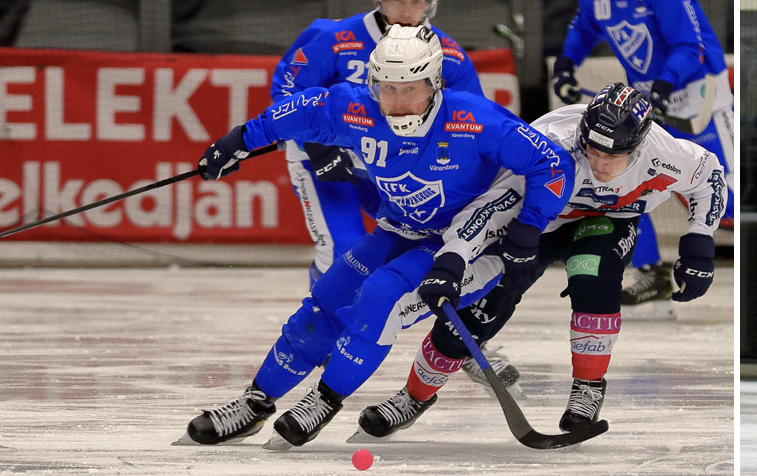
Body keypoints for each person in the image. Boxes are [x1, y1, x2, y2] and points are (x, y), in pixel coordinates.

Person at [182, 24, 573, 449]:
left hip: (456, 246)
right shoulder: (357, 107)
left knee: (379, 298)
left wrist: (529, 228)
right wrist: (237, 140)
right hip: (395, 229)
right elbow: (298, 111)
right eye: (388, 88)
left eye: (412, 88)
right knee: (324, 304)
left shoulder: (474, 118)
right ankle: (255, 404)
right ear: (373, 84)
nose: (400, 102)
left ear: (435, 82)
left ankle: (325, 399)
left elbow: (552, 164)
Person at [352, 83, 726, 440]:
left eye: (612, 157)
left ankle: (588, 387)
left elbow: (709, 176)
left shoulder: (668, 154)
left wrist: (699, 242)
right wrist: (454, 258)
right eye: (591, 151)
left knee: (592, 276)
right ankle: (414, 397)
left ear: (640, 146)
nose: (598, 164)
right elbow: (491, 207)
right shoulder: (549, 145)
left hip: (608, 221)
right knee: (483, 303)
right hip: (535, 222)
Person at [550, 0, 735, 310]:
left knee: (719, 183)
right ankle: (653, 272)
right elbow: (583, 29)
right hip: (646, 97)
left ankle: (721, 246)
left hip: (692, 90)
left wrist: (665, 87)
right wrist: (565, 65)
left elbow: (691, 45)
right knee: (626, 180)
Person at [269, 0, 484, 287]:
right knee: (344, 250)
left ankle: (456, 335)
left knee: (443, 251)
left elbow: (471, 127)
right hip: (327, 164)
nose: (406, 11)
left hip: (398, 169)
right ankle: (321, 327)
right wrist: (316, 146)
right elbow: (286, 94)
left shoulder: (450, 55)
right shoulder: (332, 39)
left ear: (431, 2)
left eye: (417, 1)